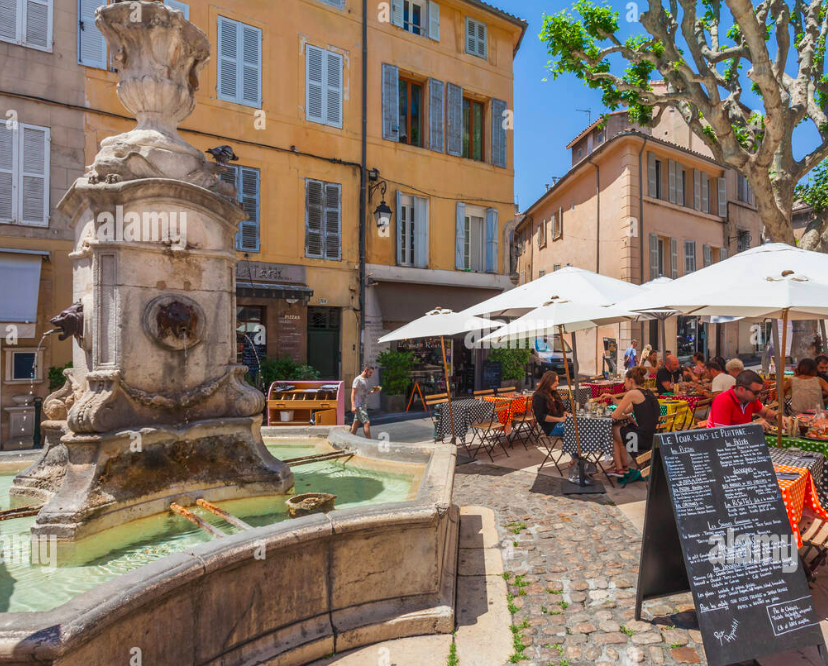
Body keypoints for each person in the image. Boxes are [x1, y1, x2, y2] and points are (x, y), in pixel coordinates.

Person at [609, 366, 660, 477]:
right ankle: (624, 467)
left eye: (625, 381)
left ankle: (620, 469)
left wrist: (623, 416)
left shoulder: (632, 394)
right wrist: (613, 398)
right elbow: (627, 410)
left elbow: (615, 415)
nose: (624, 385)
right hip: (652, 437)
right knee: (621, 429)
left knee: (611, 430)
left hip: (640, 440)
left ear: (631, 381)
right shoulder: (647, 393)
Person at [707, 370, 780, 430]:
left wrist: (777, 416)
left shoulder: (749, 399)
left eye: (760, 391)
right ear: (741, 389)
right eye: (756, 392)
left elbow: (765, 413)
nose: (759, 395)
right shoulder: (722, 401)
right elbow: (722, 432)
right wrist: (752, 426)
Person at [532, 371, 569, 437]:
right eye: (555, 381)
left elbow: (563, 409)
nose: (558, 383)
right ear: (548, 381)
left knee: (581, 424)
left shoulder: (554, 393)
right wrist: (560, 419)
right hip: (551, 427)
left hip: (562, 422)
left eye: (558, 381)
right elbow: (540, 417)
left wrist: (565, 413)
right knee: (575, 429)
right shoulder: (538, 396)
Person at [350, 366, 381, 437]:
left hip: (363, 405)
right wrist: (353, 406)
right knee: (367, 423)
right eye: (370, 372)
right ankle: (369, 441)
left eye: (372, 373)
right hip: (359, 405)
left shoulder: (366, 379)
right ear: (365, 370)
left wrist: (373, 391)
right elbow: (353, 393)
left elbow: (365, 392)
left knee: (356, 424)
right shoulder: (358, 379)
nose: (371, 374)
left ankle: (349, 439)